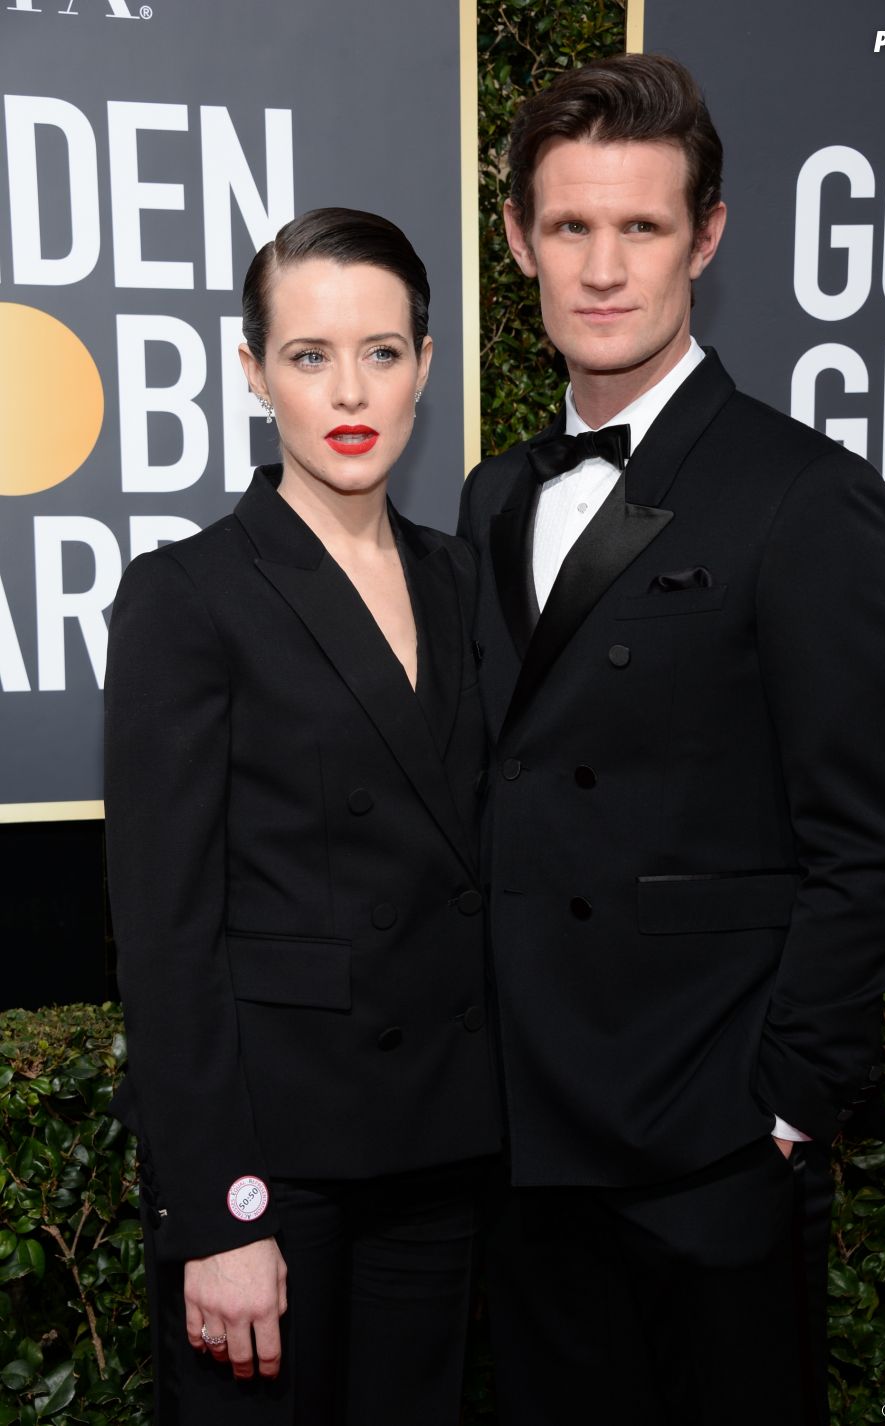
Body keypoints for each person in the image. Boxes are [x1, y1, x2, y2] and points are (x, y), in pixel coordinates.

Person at [457, 53, 885, 1425]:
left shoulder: (803, 497)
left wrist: (781, 1110)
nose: (602, 269)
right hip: (526, 1144)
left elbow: (864, 846)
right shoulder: (492, 495)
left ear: (703, 238)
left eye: (641, 227)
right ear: (518, 240)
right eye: (569, 227)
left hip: (707, 1149)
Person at [104, 207, 500, 1425]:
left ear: (426, 367)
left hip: (446, 1148)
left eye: (381, 352)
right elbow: (167, 936)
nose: (349, 389)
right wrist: (221, 1209)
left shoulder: (467, 578)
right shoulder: (188, 594)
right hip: (278, 1166)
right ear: (251, 370)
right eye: (309, 354)